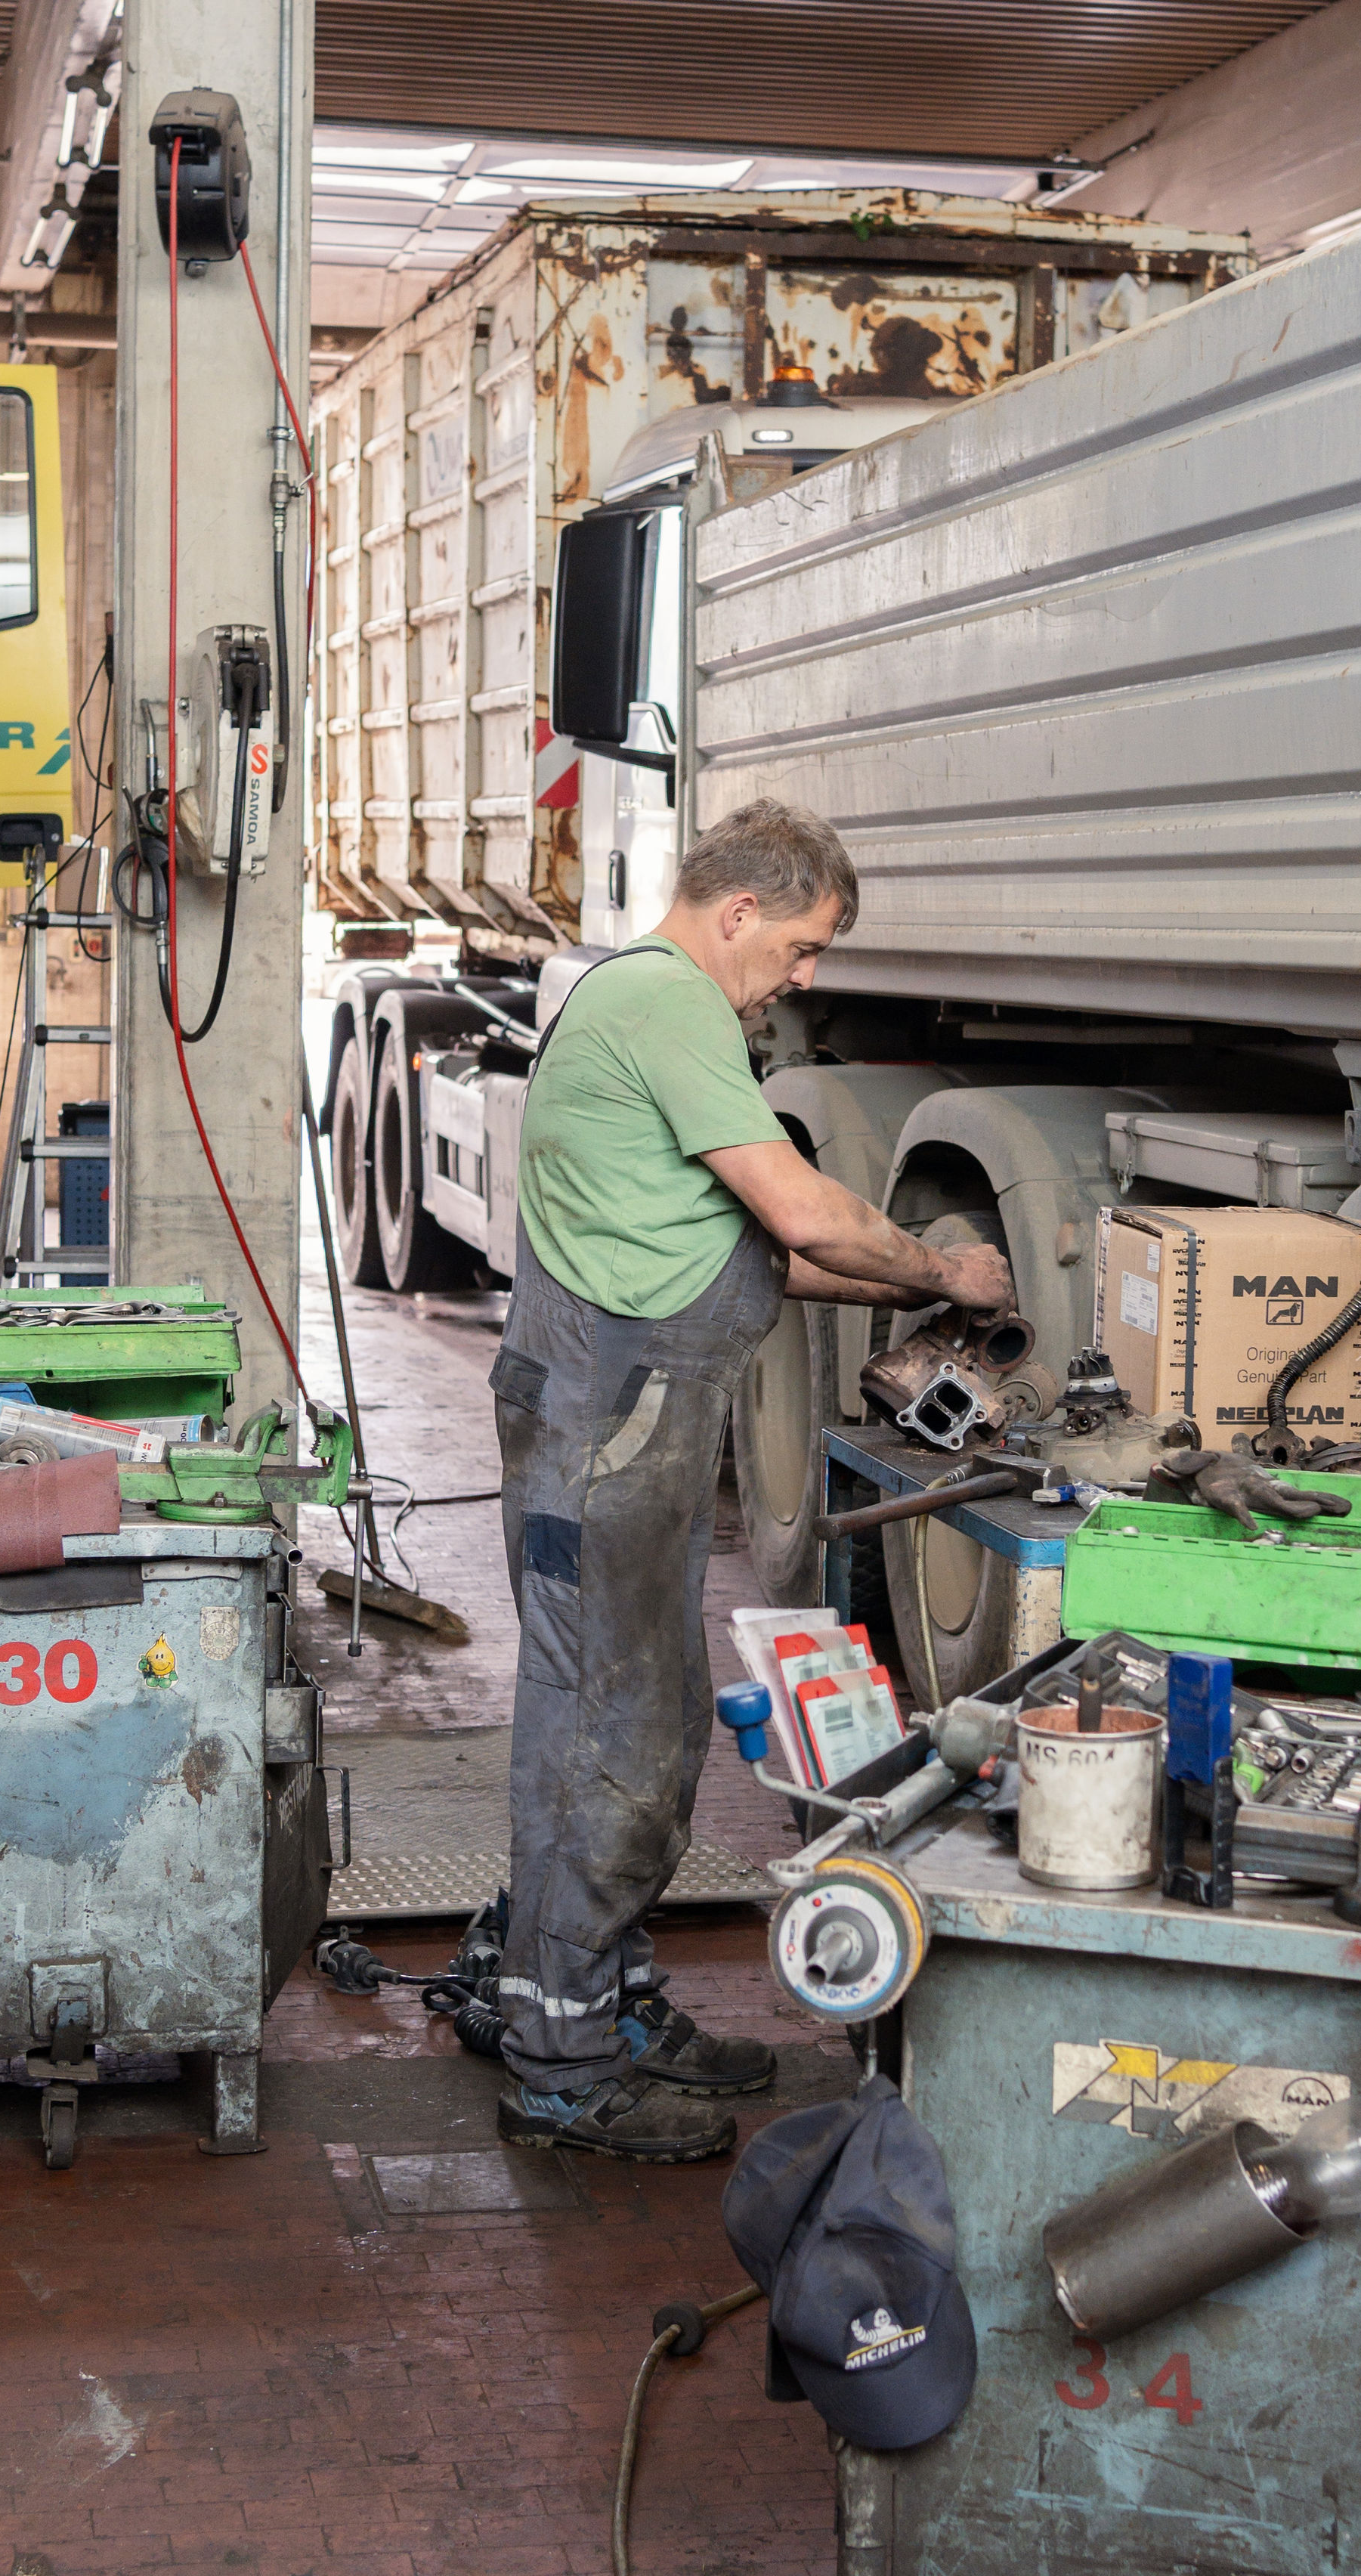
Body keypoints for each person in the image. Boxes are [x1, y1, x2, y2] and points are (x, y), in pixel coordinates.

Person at [492, 798, 1013, 2162]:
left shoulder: (644, 1007)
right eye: (803, 945)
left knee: (628, 1720)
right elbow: (800, 1212)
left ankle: (602, 1998)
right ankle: (562, 2058)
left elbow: (759, 1260)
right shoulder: (669, 1007)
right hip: (608, 1425)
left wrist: (893, 1286)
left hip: (613, 1417)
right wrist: (946, 1268)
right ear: (737, 912)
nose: (806, 976)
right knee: (608, 1734)